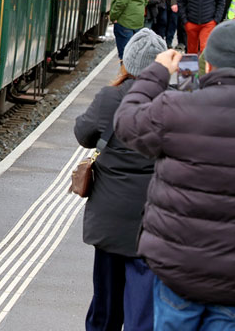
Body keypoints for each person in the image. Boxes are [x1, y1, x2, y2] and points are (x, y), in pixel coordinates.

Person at [114, 20, 235, 331]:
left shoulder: (177, 108)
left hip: (179, 271)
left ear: (208, 63)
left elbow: (126, 122)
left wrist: (156, 73)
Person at [74, 29, 161, 331]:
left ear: (128, 62)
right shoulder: (173, 104)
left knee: (106, 308)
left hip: (110, 220)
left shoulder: (110, 97)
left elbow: (83, 134)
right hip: (154, 220)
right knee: (143, 311)